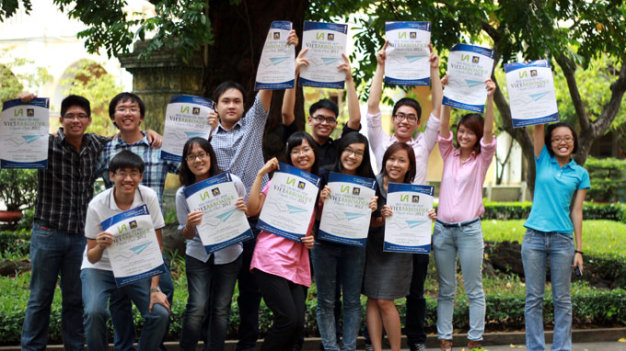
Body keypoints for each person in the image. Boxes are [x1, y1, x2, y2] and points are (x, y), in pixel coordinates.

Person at [210, 30, 298, 351]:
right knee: (216, 298)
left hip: (252, 222)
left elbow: (268, 86)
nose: (232, 105)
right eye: (225, 101)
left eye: (236, 100)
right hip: (217, 224)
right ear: (215, 106)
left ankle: (247, 347)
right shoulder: (203, 138)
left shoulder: (252, 124)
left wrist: (282, 48)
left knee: (250, 294)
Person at [366, 41, 443, 351]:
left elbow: (438, 111)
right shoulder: (381, 143)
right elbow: (371, 110)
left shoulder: (423, 145)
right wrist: (381, 66)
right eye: (400, 114)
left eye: (411, 116)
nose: (404, 120)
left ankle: (416, 341)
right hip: (381, 228)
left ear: (416, 122)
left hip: (415, 229)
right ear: (394, 117)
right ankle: (376, 344)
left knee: (414, 290)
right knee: (376, 292)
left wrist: (435, 70)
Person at [20, 94, 110, 351]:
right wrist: (21, 106)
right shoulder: (44, 145)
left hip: (81, 237)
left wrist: (150, 133)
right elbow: (10, 139)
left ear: (89, 120)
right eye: (70, 115)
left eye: (81, 116)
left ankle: (74, 347)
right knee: (39, 298)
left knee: (74, 299)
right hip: (48, 232)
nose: (76, 120)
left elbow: (124, 139)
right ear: (61, 120)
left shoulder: (95, 144)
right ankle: (31, 348)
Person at [97, 92, 177, 350]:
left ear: (141, 116)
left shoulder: (159, 148)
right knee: (119, 302)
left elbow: (190, 163)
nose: (128, 113)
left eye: (133, 108)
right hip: (117, 241)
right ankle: (123, 346)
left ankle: (151, 345)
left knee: (164, 290)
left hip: (151, 239)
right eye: (122, 109)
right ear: (114, 117)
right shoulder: (105, 149)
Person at [80, 150, 170, 351]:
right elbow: (91, 257)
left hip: (133, 266)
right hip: (101, 268)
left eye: (134, 173)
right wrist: (101, 246)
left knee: (159, 313)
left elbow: (157, 246)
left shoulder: (148, 197)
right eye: (122, 173)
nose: (128, 179)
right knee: (94, 312)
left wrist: (155, 289)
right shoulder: (97, 206)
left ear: (140, 176)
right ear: (111, 175)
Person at [433, 77, 497, 351]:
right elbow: (444, 128)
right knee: (446, 289)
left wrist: (491, 98)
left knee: (474, 289)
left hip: (470, 230)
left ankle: (474, 340)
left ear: (477, 135)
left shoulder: (481, 160)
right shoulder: (447, 153)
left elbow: (490, 135)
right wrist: (446, 93)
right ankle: (445, 339)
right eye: (462, 131)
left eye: (470, 132)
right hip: (443, 230)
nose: (464, 136)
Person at [247, 132, 318, 351]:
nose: (301, 155)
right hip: (271, 257)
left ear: (314, 152)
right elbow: (252, 210)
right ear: (289, 155)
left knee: (296, 325)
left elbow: (313, 225)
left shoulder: (316, 186)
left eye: (306, 149)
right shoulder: (279, 181)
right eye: (296, 151)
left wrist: (310, 239)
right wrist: (261, 174)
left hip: (297, 261)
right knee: (287, 320)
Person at [522, 122, 589, 351]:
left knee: (562, 300)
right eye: (557, 139)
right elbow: (538, 127)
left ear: (574, 142)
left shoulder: (580, 173)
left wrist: (579, 250)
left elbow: (577, 212)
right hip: (534, 239)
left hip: (563, 241)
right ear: (550, 144)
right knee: (533, 299)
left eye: (568, 138)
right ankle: (536, 348)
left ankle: (561, 348)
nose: (563, 142)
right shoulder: (542, 160)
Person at [176, 137, 247, 351]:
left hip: (230, 254)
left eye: (202, 154)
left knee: (221, 309)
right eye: (192, 156)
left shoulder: (232, 182)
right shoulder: (183, 193)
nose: (198, 160)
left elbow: (244, 214)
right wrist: (190, 224)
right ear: (186, 161)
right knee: (197, 307)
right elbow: (186, 235)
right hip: (198, 255)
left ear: (210, 156)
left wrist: (243, 209)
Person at [363, 142, 435, 351]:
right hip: (372, 250)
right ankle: (377, 348)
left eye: (401, 160)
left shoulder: (415, 193)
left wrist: (428, 216)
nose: (395, 164)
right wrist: (378, 218)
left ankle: (395, 349)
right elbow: (362, 220)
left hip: (398, 252)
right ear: (384, 160)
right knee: (373, 299)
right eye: (392, 159)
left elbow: (419, 224)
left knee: (385, 301)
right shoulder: (371, 185)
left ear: (410, 166)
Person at [315, 132, 378, 351]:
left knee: (352, 302)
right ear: (341, 150)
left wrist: (372, 211)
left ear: (364, 156)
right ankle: (331, 348)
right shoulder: (324, 175)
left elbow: (373, 222)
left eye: (359, 152)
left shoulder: (370, 183)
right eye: (349, 150)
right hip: (324, 246)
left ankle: (349, 348)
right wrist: (321, 202)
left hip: (354, 248)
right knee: (326, 302)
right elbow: (312, 216)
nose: (352, 156)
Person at [281, 49, 361, 168]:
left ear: (336, 124)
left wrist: (349, 79)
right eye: (319, 118)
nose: (324, 123)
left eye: (330, 120)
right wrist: (294, 74)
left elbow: (354, 121)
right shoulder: (299, 143)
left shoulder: (339, 148)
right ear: (310, 120)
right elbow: (287, 114)